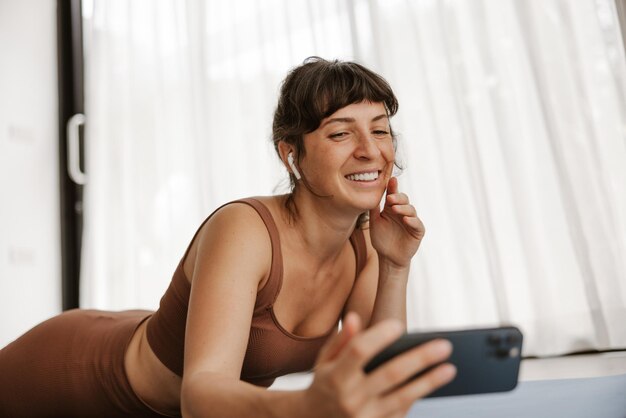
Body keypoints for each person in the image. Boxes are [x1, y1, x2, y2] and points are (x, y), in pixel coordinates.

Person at [0, 57, 456, 418]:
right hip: (72, 376)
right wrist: (308, 409)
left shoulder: (367, 242)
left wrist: (397, 264)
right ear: (290, 154)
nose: (370, 149)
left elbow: (376, 378)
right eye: (341, 132)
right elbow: (200, 398)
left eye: (380, 130)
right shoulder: (244, 229)